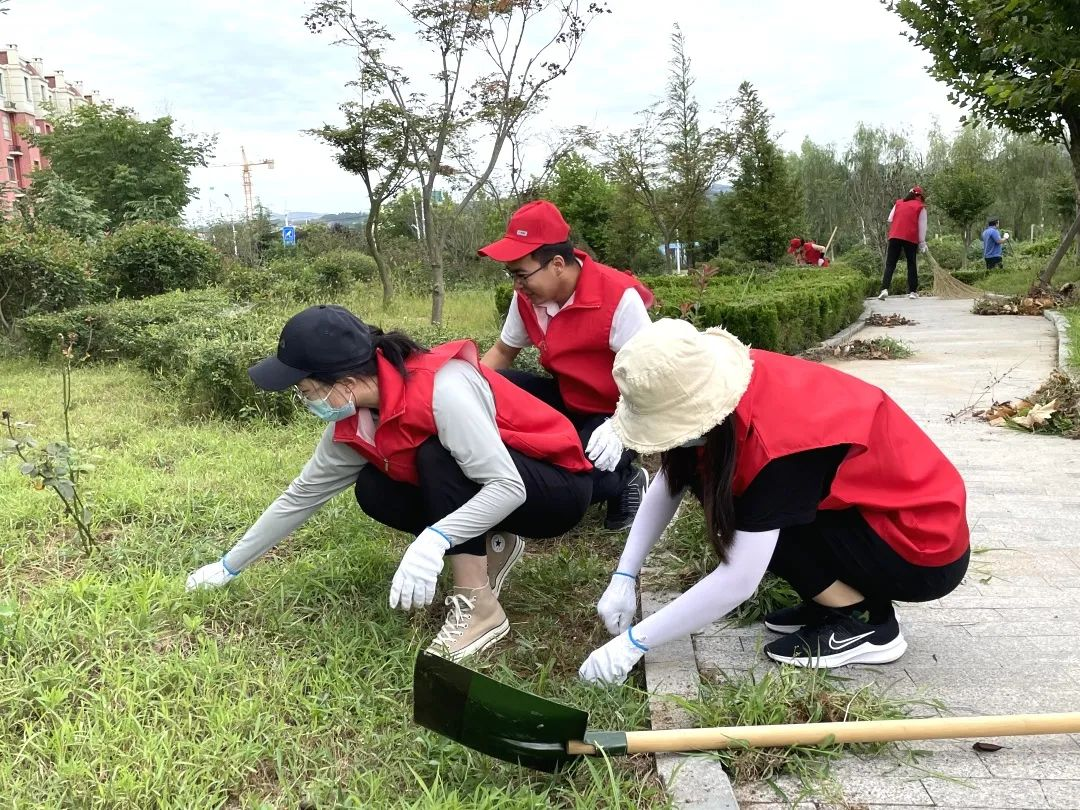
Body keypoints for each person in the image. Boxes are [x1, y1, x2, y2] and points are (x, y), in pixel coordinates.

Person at [186, 304, 594, 662]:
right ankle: (493, 545)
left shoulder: (443, 389)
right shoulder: (354, 420)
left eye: (308, 390)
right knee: (374, 489)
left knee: (436, 456)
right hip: (502, 491)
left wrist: (434, 540)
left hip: (556, 489)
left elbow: (507, 487)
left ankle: (480, 607)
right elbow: (302, 495)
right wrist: (228, 566)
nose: (305, 400)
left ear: (345, 382)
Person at [577, 319, 970, 684]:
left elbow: (738, 580)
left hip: (921, 545)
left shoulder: (778, 445)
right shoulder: (723, 384)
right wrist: (624, 576)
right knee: (740, 502)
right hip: (874, 515)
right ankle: (833, 599)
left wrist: (633, 644)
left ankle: (863, 620)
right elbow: (673, 477)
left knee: (751, 518)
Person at [479, 199, 653, 531]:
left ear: (557, 263)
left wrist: (621, 425)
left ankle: (626, 478)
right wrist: (462, 389)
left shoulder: (618, 299)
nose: (516, 285)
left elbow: (651, 379)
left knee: (576, 483)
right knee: (491, 388)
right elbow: (502, 353)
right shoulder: (528, 300)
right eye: (511, 274)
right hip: (568, 399)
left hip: (620, 411)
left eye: (521, 274)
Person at [878, 186, 928, 301]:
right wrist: (922, 243)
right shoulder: (921, 207)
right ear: (919, 196)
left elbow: (890, 219)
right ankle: (912, 292)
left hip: (895, 235)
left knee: (890, 264)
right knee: (911, 264)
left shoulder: (899, 203)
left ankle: (884, 289)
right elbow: (922, 227)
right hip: (910, 237)